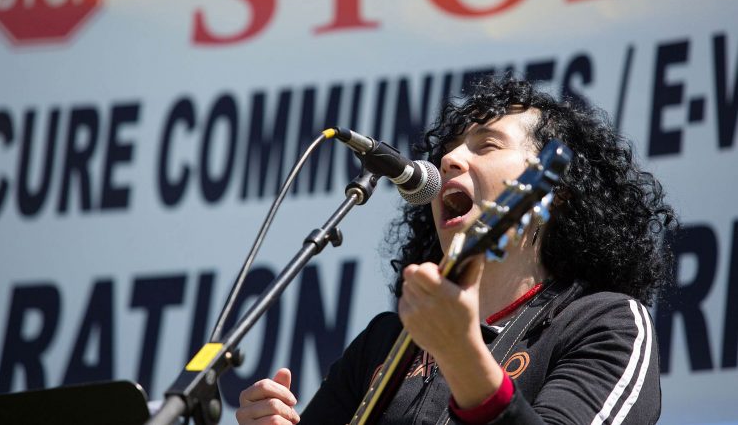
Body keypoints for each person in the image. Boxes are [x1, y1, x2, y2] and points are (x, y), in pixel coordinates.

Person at [235, 77, 676, 425]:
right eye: (447, 151)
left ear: (548, 193)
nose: (448, 161)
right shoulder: (384, 344)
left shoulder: (605, 324)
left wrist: (464, 357)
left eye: (487, 145)